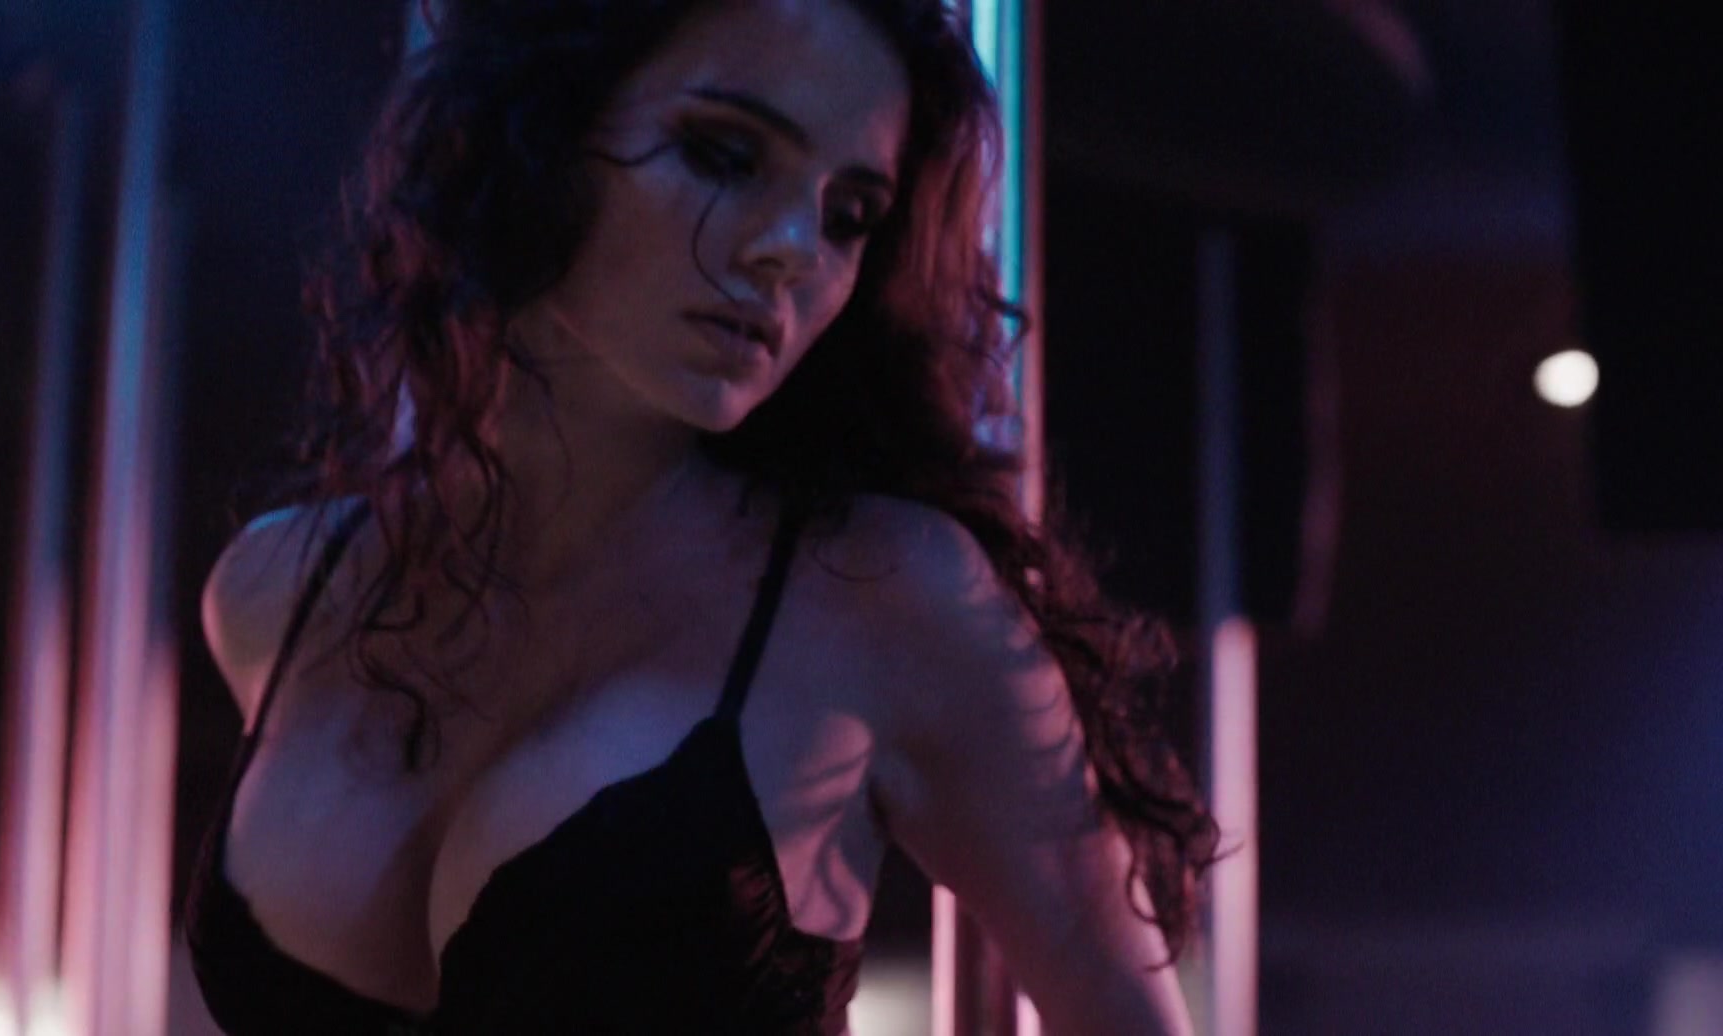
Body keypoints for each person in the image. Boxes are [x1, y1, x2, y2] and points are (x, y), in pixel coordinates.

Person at [182, 0, 1221, 1032]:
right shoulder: (280, 592)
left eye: (849, 215)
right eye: (725, 155)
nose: (793, 249)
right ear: (536, 122)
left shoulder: (882, 596)